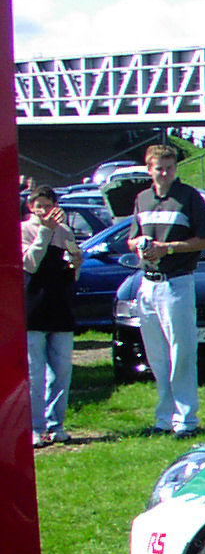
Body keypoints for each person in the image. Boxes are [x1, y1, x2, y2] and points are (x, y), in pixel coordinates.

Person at [128, 143, 205, 436]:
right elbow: (131, 238)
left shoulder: (189, 197)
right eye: (159, 168)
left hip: (177, 282)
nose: (164, 172)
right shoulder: (141, 199)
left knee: (181, 353)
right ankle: (164, 418)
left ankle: (186, 419)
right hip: (147, 283)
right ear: (149, 169)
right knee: (156, 355)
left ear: (175, 168)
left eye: (169, 167)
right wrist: (140, 245)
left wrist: (168, 249)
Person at [22, 185, 82, 446]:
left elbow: (73, 266)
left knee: (61, 371)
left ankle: (57, 424)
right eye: (39, 206)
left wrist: (76, 261)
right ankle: (35, 427)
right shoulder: (22, 230)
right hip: (32, 308)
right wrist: (45, 231)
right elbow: (30, 263)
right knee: (34, 373)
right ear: (31, 207)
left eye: (49, 206)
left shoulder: (64, 231)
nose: (45, 211)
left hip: (59, 307)